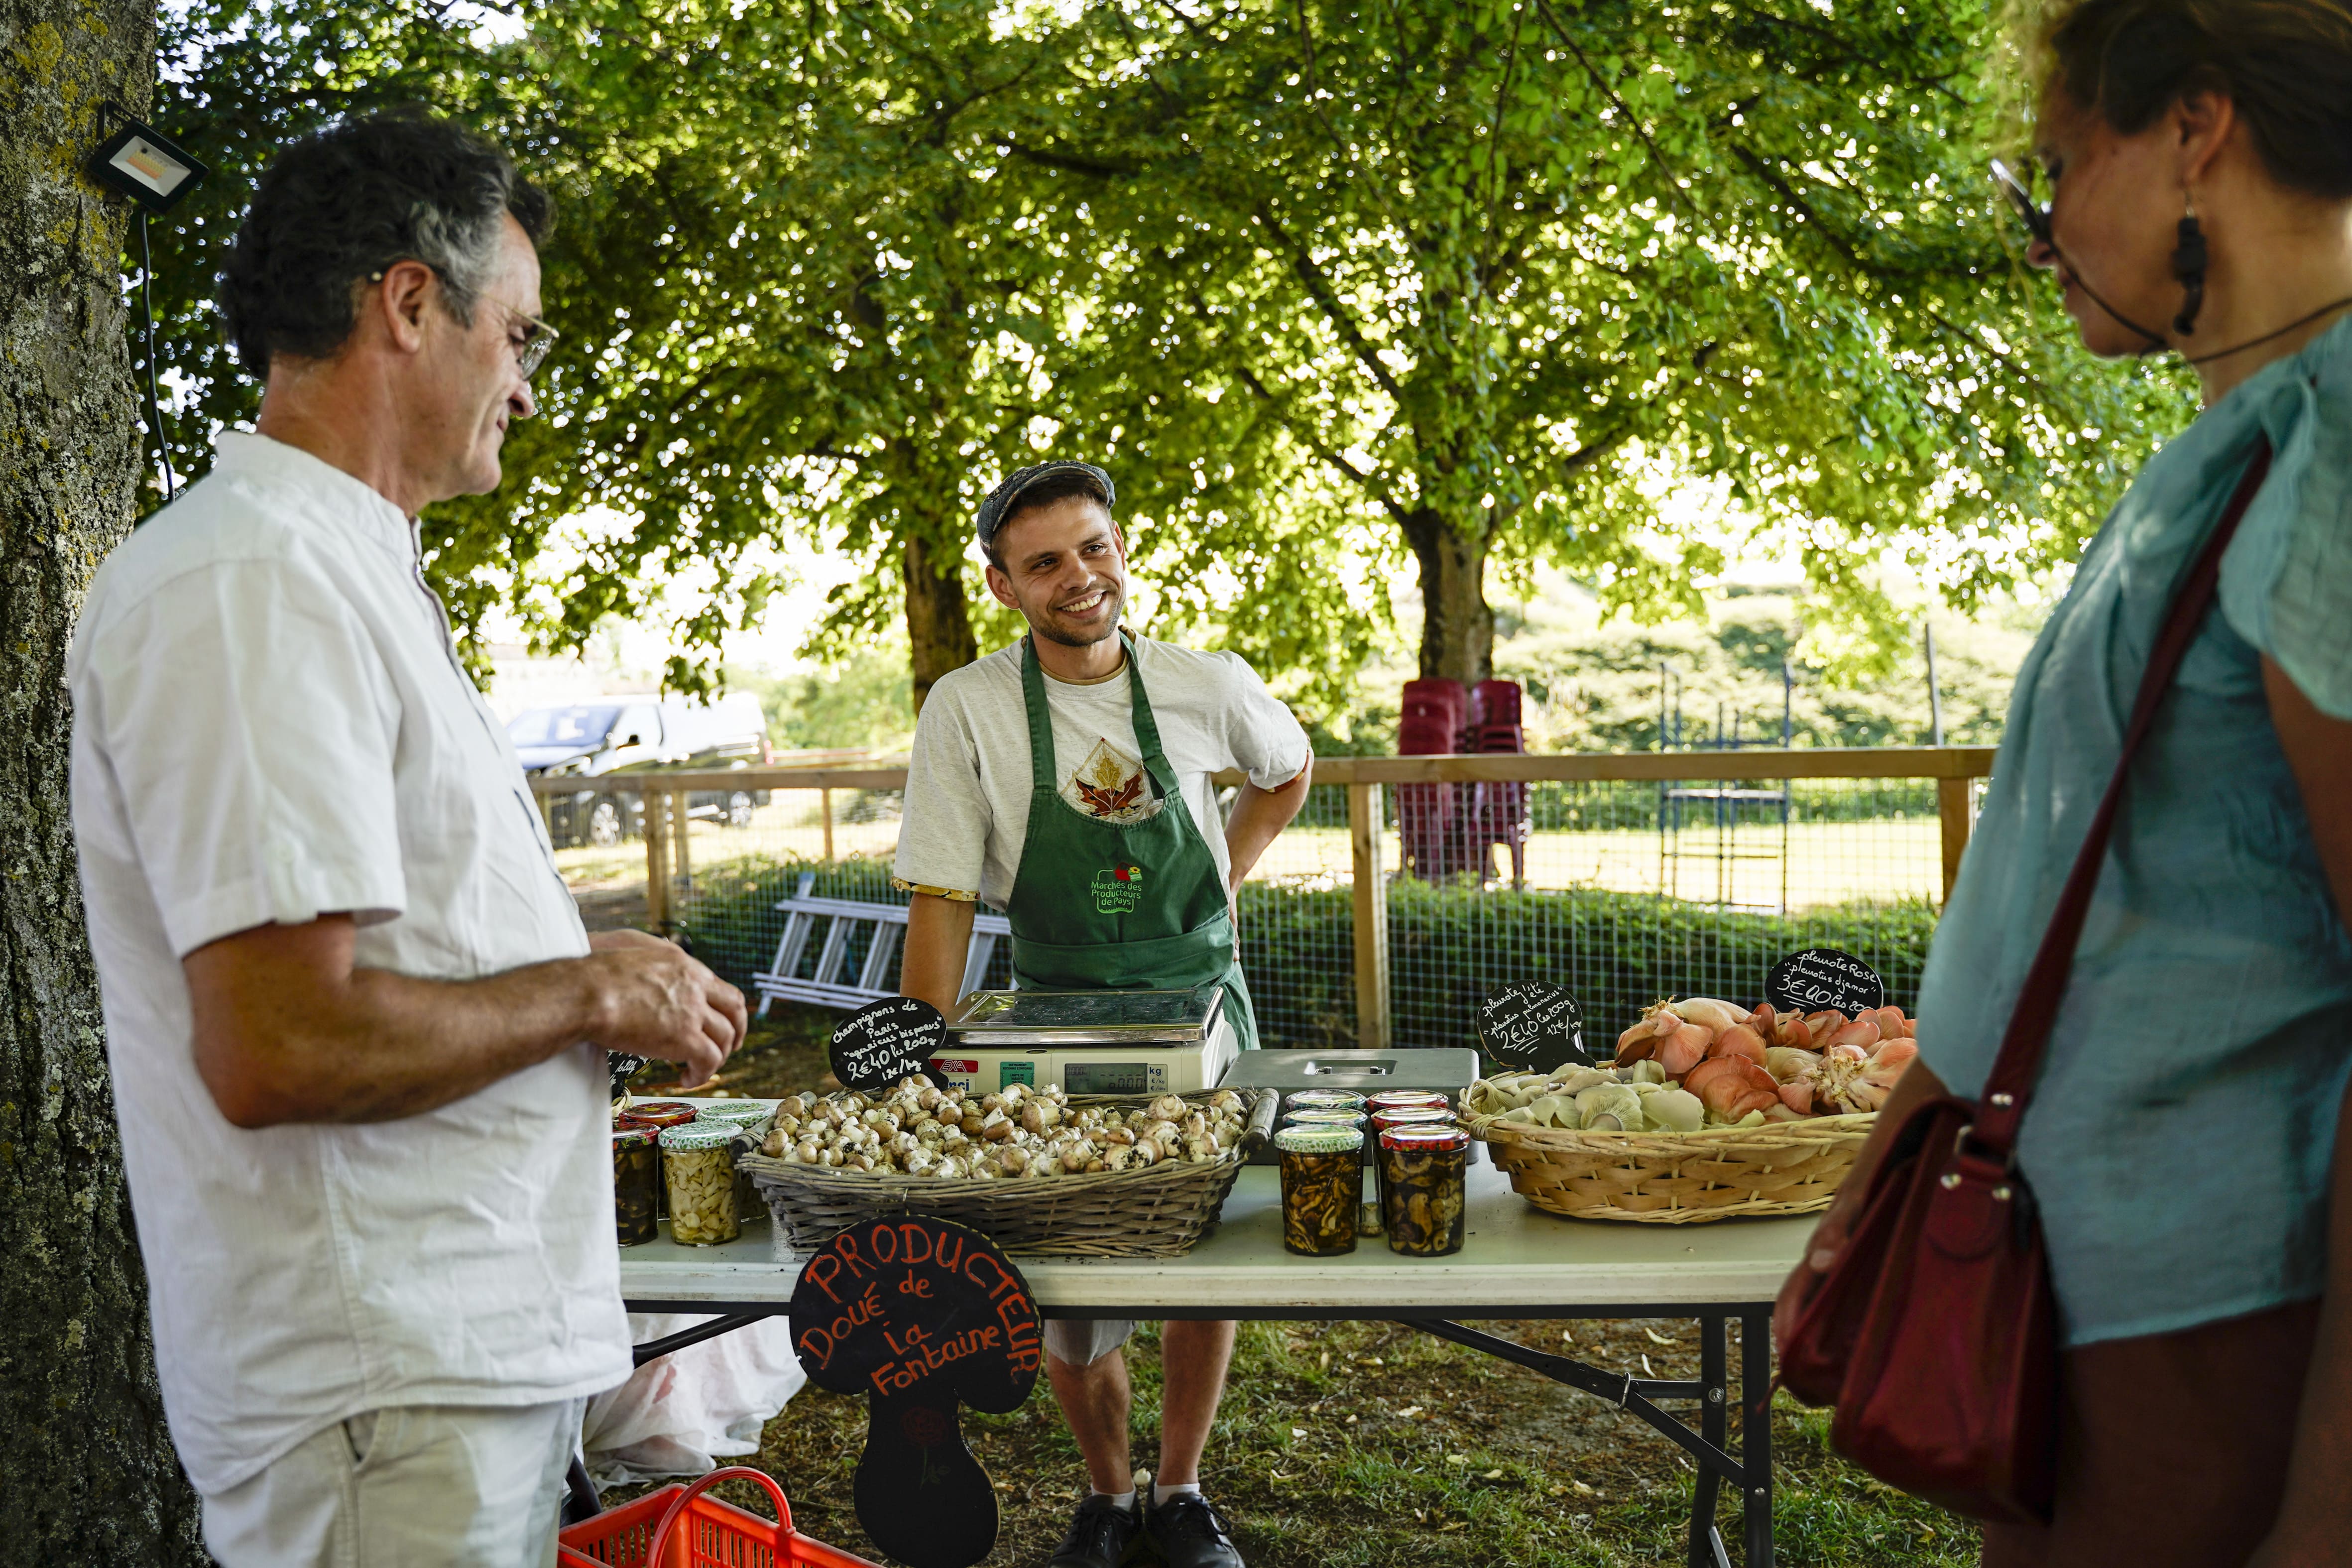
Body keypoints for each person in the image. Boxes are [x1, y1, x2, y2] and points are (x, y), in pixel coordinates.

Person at [68, 111, 746, 1565]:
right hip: (374, 1384)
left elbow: (404, 958)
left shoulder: (331, 566)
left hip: (432, 1373)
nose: (523, 381)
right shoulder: (252, 578)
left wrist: (580, 981)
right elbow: (281, 1041)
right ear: (408, 303)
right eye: (521, 336)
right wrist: (588, 989)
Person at [1773, 2, 2352, 1563]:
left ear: (2192, 131)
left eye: (2050, 171)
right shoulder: (2231, 438)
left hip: (2204, 1297)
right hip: (2062, 1281)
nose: (2040, 237)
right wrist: (1888, 1162)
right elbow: (2054, 901)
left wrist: (2328, 1504)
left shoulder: (2335, 445)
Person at [892, 461, 1312, 1568]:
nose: (1080, 579)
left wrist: (1231, 872)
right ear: (1001, 586)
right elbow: (939, 893)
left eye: (1094, 548)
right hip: (1053, 1018)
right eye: (1045, 563)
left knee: (1199, 1256)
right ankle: (1104, 1496)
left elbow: (1288, 767)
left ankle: (1180, 1493)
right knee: (1072, 1279)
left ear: (1119, 548)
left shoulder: (1204, 682)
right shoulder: (968, 707)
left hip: (1203, 1012)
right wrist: (914, 1061)